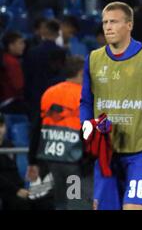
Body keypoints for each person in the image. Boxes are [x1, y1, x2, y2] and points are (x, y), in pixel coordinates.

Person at [80, 1, 142, 210]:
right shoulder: (93, 59)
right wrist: (87, 132)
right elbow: (86, 102)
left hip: (141, 150)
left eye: (113, 21)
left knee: (134, 208)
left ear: (129, 25)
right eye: (105, 22)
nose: (108, 27)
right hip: (105, 152)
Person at [27, 56, 91, 210]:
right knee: (75, 202)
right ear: (82, 72)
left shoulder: (49, 93)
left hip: (50, 163)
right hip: (74, 164)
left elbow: (37, 129)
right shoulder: (84, 96)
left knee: (59, 204)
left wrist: (32, 161)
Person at [0, 31, 26, 114]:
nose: (23, 46)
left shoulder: (4, 58)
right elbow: (18, 85)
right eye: (20, 43)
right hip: (12, 103)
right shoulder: (12, 62)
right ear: (11, 46)